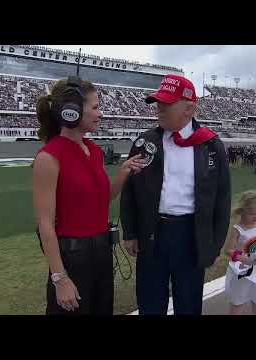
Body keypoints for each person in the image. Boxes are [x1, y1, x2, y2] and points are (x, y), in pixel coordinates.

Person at [32, 77, 145, 315]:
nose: (100, 113)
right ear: (71, 112)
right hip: (72, 261)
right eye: (94, 107)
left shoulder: (94, 150)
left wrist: (123, 173)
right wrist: (60, 279)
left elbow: (100, 201)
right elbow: (44, 224)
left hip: (102, 256)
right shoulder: (48, 158)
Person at [120, 74, 231, 315]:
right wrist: (130, 232)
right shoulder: (145, 142)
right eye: (158, 102)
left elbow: (222, 199)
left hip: (191, 235)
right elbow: (130, 190)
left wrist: (214, 244)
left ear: (189, 108)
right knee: (150, 303)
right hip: (152, 234)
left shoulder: (211, 145)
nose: (159, 109)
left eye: (166, 104)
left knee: (189, 304)